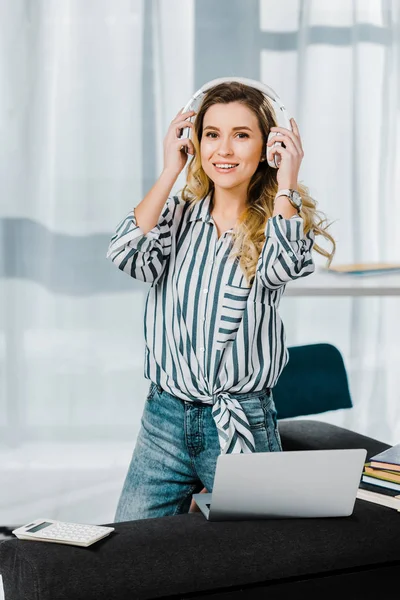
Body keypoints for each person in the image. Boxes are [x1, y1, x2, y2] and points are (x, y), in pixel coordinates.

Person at [107, 81, 335, 521]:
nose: (223, 149)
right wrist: (170, 170)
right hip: (164, 419)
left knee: (258, 559)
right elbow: (125, 253)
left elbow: (284, 266)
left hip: (240, 419)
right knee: (128, 555)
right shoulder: (177, 215)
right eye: (212, 134)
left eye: (241, 135)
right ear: (195, 141)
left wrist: (287, 180)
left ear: (269, 145)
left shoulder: (280, 220)